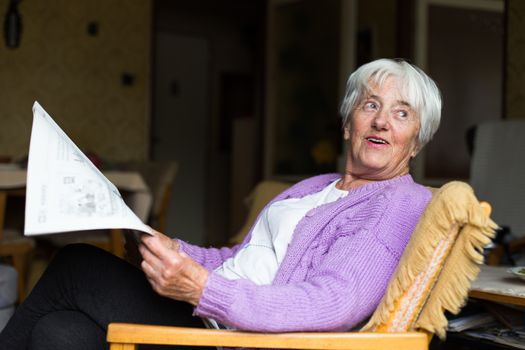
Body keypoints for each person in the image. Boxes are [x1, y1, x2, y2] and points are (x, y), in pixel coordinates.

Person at [0, 58, 441, 350]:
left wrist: (202, 290)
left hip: (235, 338)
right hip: (211, 317)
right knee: (59, 334)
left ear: (416, 141)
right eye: (371, 105)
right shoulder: (317, 186)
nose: (382, 120)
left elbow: (331, 303)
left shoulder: (395, 204)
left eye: (402, 113)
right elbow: (242, 259)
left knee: (78, 263)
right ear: (349, 124)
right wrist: (176, 250)